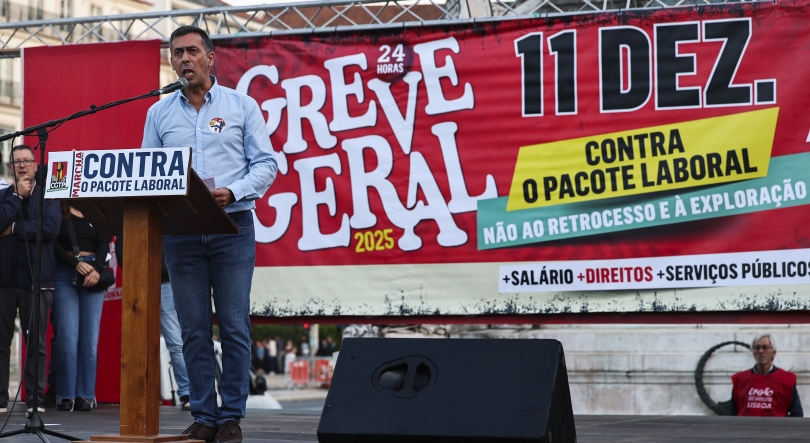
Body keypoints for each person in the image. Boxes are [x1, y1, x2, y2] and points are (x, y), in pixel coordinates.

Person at [141, 25, 277, 443]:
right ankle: (204, 415)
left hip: (232, 226)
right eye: (176, 52)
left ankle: (232, 415)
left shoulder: (242, 106)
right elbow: (147, 173)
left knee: (233, 325)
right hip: (181, 233)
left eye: (191, 51)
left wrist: (233, 190)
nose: (183, 59)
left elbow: (267, 164)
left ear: (210, 58)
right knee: (193, 329)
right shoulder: (158, 113)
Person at [0, 145, 60, 414]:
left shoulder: (49, 195)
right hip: (4, 280)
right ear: (10, 168)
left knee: (35, 344)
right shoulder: (3, 196)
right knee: (1, 343)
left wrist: (12, 228)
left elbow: (49, 228)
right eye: (17, 162)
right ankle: (0, 400)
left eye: (27, 161)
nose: (22, 166)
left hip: (37, 280)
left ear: (36, 165)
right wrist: (15, 197)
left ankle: (34, 401)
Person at [114, 238, 191, 410]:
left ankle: (187, 392)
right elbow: (122, 241)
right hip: (139, 279)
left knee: (175, 340)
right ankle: (139, 393)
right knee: (137, 340)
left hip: (166, 279)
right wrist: (132, 267)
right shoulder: (131, 210)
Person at [52, 202, 111, 412]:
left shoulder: (96, 209)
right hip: (64, 273)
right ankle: (65, 395)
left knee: (89, 340)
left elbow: (105, 241)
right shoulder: (58, 208)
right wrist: (74, 263)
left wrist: (97, 268)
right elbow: (52, 241)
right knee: (67, 339)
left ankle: (86, 395)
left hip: (94, 272)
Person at [730, 334, 803, 417]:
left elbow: (797, 414)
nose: (761, 351)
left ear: (773, 353)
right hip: (745, 429)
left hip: (775, 429)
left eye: (765, 347)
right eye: (757, 348)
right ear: (753, 352)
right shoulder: (740, 380)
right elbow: (732, 413)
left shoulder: (786, 380)